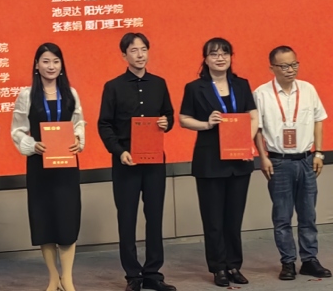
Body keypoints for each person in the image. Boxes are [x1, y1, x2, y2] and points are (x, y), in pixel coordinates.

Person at [98, 33, 176, 291]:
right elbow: (104, 124)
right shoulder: (113, 86)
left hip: (154, 162)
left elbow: (168, 115)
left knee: (154, 216)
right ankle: (133, 274)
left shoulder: (159, 83)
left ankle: (153, 273)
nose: (140, 54)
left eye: (144, 49)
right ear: (124, 55)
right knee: (127, 218)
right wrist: (119, 151)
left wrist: (166, 122)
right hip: (126, 162)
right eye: (134, 50)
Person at [179, 38, 258, 287]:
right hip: (210, 161)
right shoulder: (195, 88)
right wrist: (206, 124)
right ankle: (218, 268)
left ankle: (234, 265)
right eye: (214, 54)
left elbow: (253, 116)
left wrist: (246, 143)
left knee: (234, 218)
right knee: (213, 219)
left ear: (231, 57)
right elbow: (183, 119)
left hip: (239, 160)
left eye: (225, 53)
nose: (220, 58)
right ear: (205, 59)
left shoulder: (241, 85)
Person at [11, 43, 85, 291]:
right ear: (36, 65)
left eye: (55, 61)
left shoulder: (70, 94)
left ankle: (68, 279)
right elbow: (17, 130)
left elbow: (79, 123)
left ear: (61, 65)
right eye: (45, 61)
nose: (51, 66)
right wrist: (32, 145)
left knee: (67, 220)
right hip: (39, 167)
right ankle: (53, 278)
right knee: (44, 221)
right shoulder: (26, 95)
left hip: (66, 166)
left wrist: (78, 141)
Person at [253, 46, 330, 280]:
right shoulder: (261, 94)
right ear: (272, 68)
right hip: (279, 162)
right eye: (284, 66)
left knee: (308, 214)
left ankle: (309, 260)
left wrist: (319, 153)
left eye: (294, 64)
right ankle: (287, 262)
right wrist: (263, 157)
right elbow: (256, 129)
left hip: (306, 160)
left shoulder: (308, 89)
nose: (290, 70)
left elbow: (318, 120)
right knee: (282, 216)